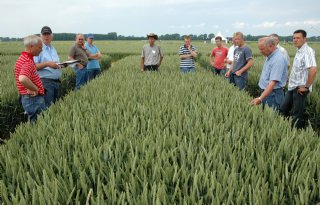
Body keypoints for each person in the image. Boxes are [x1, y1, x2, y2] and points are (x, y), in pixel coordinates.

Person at [279, 29, 317, 129]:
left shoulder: (307, 51)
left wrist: (307, 87)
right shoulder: (299, 50)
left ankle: (297, 133)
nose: (295, 40)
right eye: (294, 38)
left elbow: (313, 69)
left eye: (298, 38)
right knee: (283, 108)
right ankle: (283, 128)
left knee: (297, 113)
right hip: (292, 86)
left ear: (305, 39)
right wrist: (289, 79)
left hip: (300, 88)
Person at [250, 37, 288, 111]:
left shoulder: (278, 59)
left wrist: (260, 98)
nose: (260, 52)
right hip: (267, 93)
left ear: (271, 46)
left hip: (273, 94)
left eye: (262, 49)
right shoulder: (270, 56)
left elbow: (272, 83)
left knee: (272, 116)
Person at [14, 35, 46, 122]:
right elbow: (23, 78)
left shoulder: (23, 58)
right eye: (39, 47)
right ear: (31, 47)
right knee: (37, 124)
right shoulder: (27, 61)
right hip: (33, 99)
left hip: (29, 98)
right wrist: (35, 88)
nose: (41, 50)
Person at [34, 26, 63, 108]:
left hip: (56, 82)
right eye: (44, 34)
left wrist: (61, 65)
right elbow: (33, 66)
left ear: (52, 36)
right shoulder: (38, 49)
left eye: (48, 34)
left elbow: (55, 63)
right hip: (45, 83)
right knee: (47, 108)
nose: (46, 36)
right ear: (41, 36)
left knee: (55, 108)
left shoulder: (53, 48)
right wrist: (47, 64)